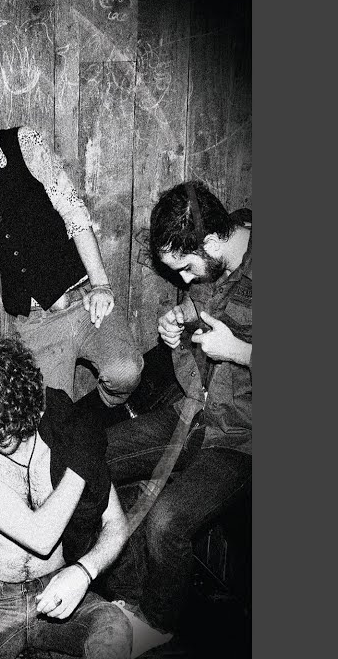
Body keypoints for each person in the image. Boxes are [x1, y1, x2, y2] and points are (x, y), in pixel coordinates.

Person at [0, 87, 143, 409]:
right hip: (35, 321)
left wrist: (101, 284)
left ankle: (103, 413)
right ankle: (74, 425)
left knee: (126, 373)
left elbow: (73, 209)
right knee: (49, 417)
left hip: (84, 299)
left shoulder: (22, 143)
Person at [102, 180, 252, 638]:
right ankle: (126, 596)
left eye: (186, 267)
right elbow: (200, 301)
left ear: (212, 242)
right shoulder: (216, 255)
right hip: (195, 411)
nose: (184, 280)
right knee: (94, 456)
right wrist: (177, 319)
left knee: (165, 522)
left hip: (242, 439)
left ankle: (156, 626)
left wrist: (240, 352)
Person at [0, 336, 135, 659]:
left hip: (59, 584)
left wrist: (84, 571)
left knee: (115, 629)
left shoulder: (64, 431)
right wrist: (82, 464)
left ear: (24, 406)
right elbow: (40, 537)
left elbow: (116, 523)